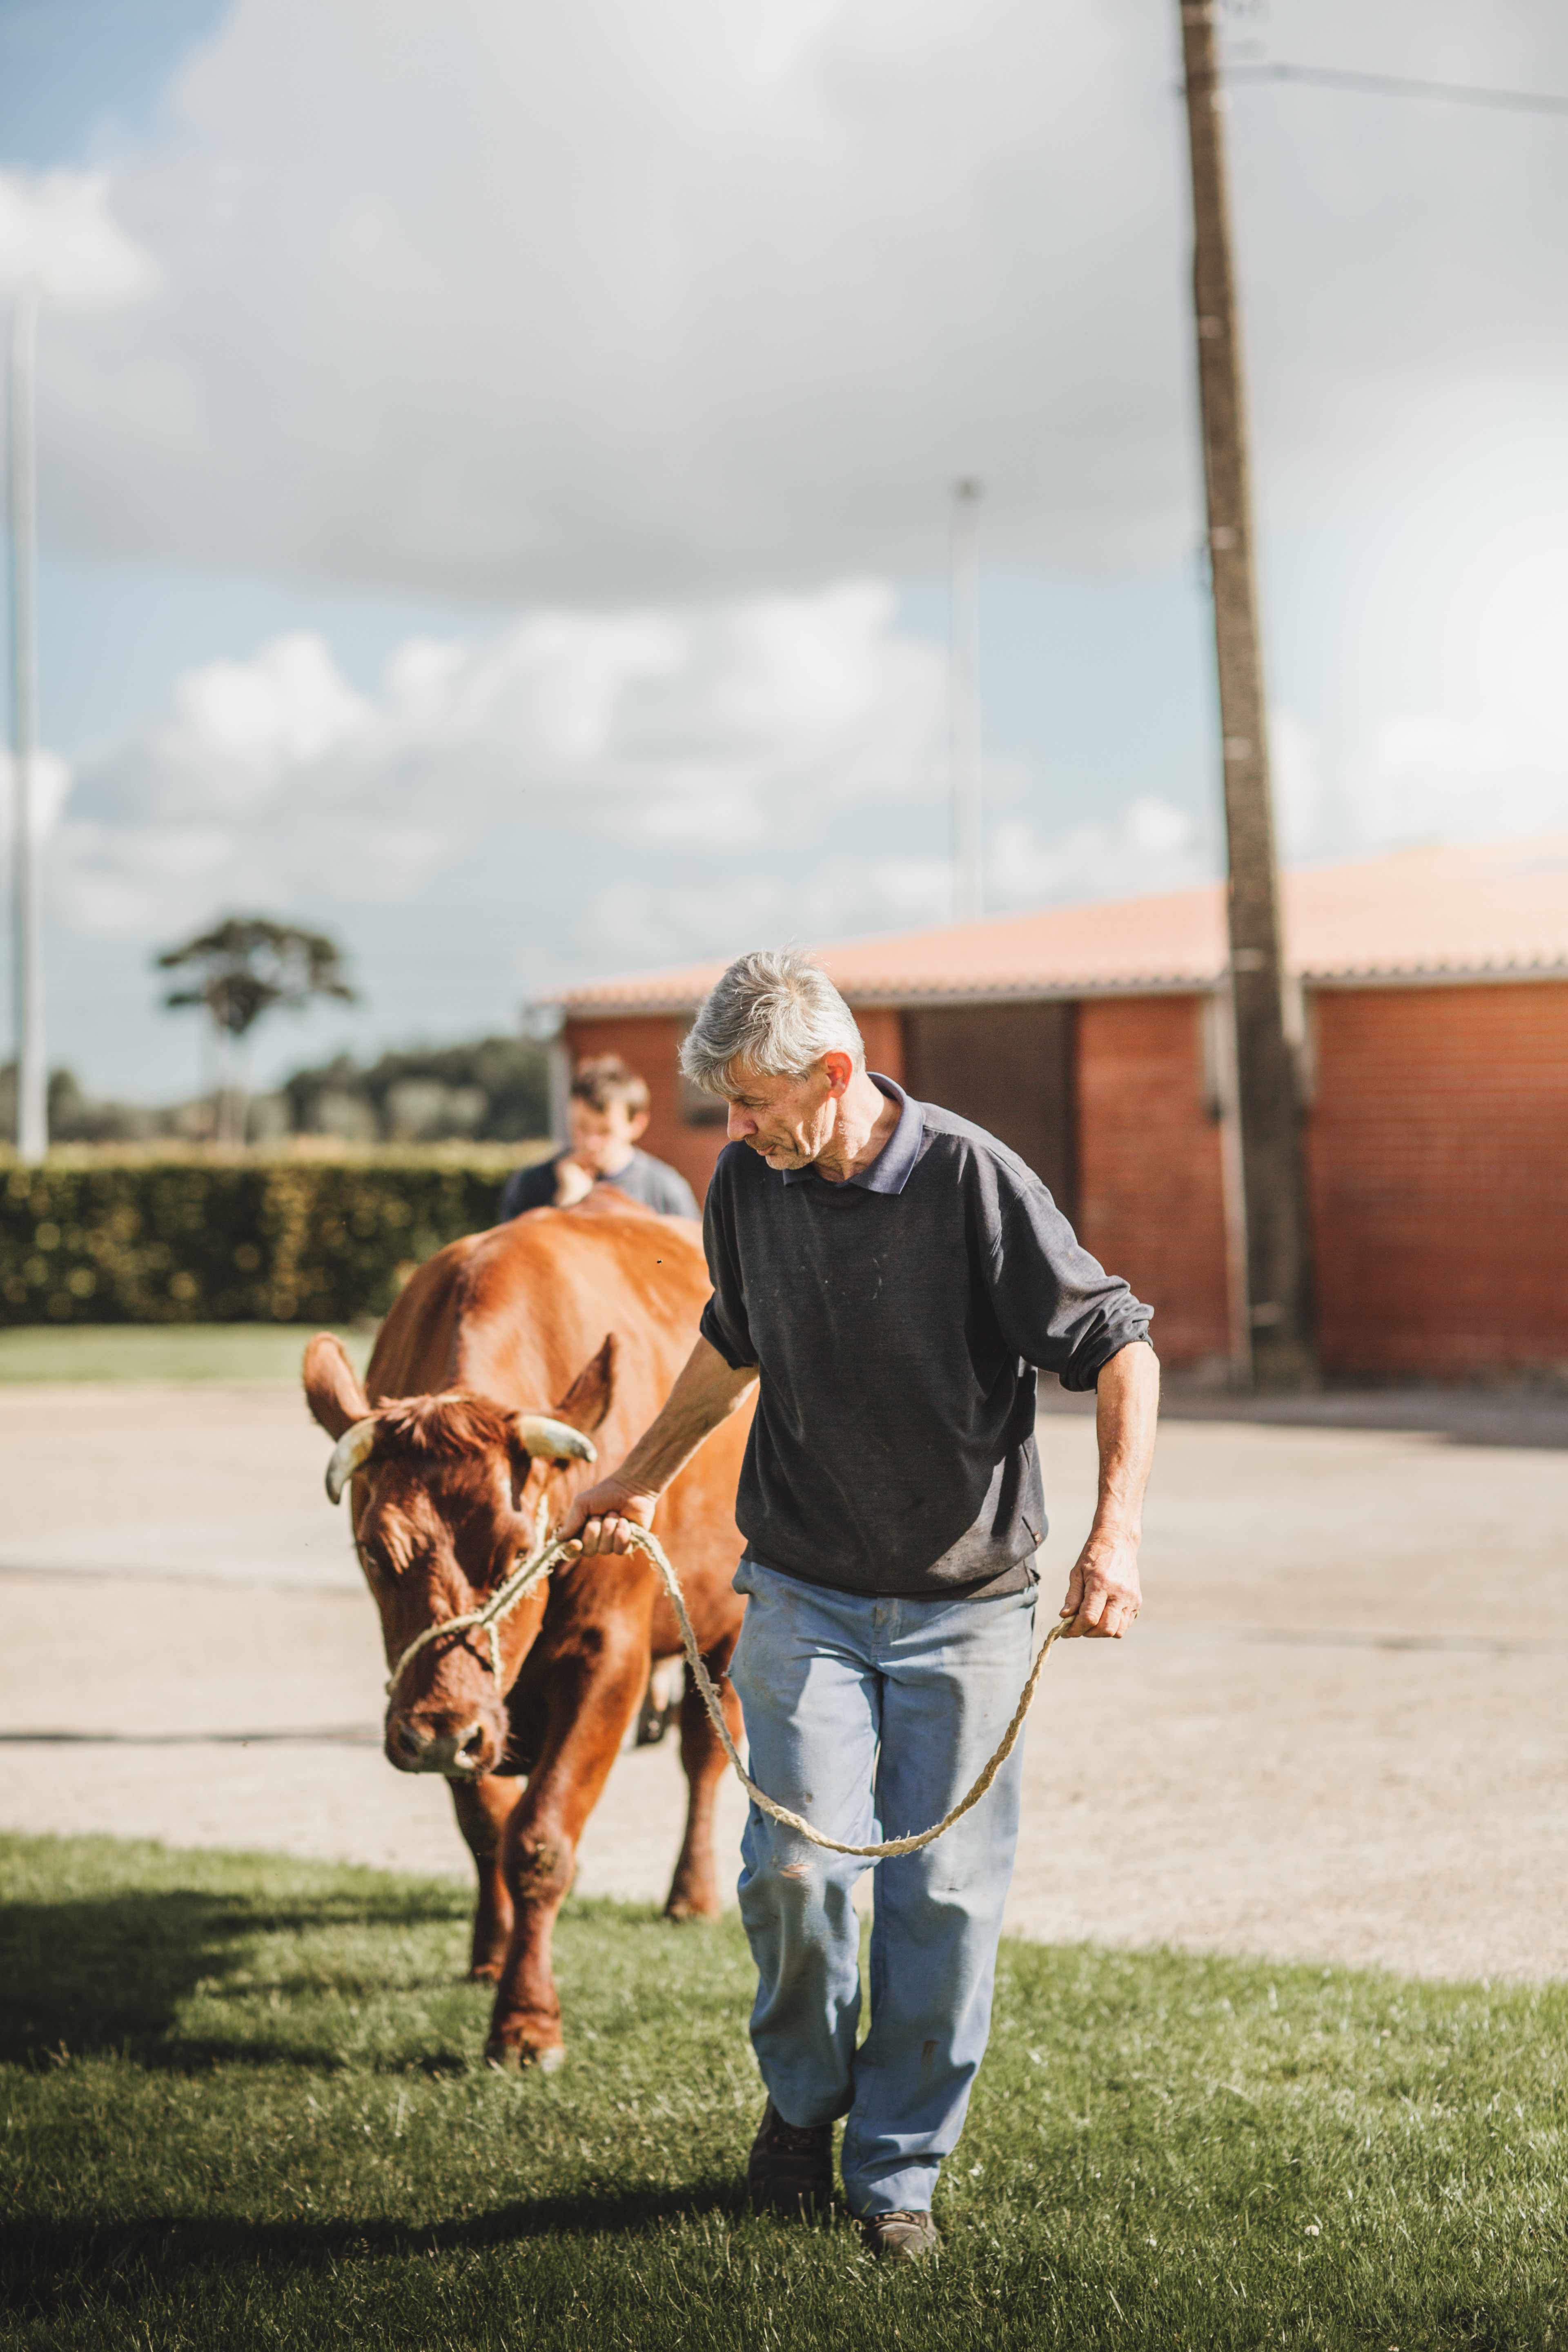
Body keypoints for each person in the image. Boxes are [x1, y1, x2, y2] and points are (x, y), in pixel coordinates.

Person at [560, 950, 1158, 2262]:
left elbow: (1118, 1344)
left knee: (939, 1894)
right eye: (725, 1107)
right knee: (790, 1869)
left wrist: (1112, 1536)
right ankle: (800, 2105)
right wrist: (629, 1478)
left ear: (833, 1076)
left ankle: (894, 2177)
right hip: (804, 1591)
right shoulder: (746, 1183)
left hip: (966, 1605)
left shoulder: (968, 1179)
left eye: (752, 1104)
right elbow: (732, 1341)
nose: (733, 1131)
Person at [497, 1053, 699, 1222]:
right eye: (581, 1127)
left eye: (606, 1131)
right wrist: (566, 1205)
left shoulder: (666, 1191)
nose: (590, 1142)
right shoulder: (530, 1186)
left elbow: (692, 1264)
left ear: (637, 1125)